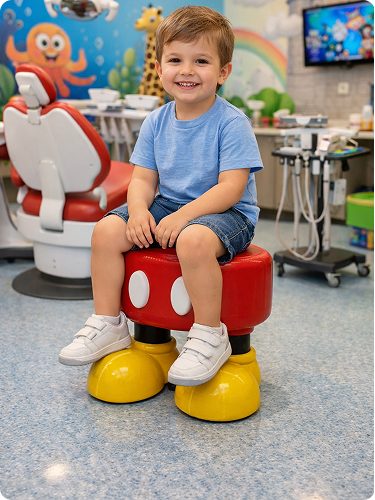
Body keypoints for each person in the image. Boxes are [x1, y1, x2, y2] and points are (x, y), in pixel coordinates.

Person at [59, 5, 263, 387]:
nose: (186, 70)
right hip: (167, 203)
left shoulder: (232, 122)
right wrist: (138, 212)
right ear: (159, 68)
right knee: (105, 231)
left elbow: (231, 188)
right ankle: (108, 323)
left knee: (193, 238)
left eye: (201, 60)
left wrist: (184, 217)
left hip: (228, 212)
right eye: (175, 60)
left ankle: (208, 334)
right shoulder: (156, 120)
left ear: (223, 72)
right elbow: (142, 180)